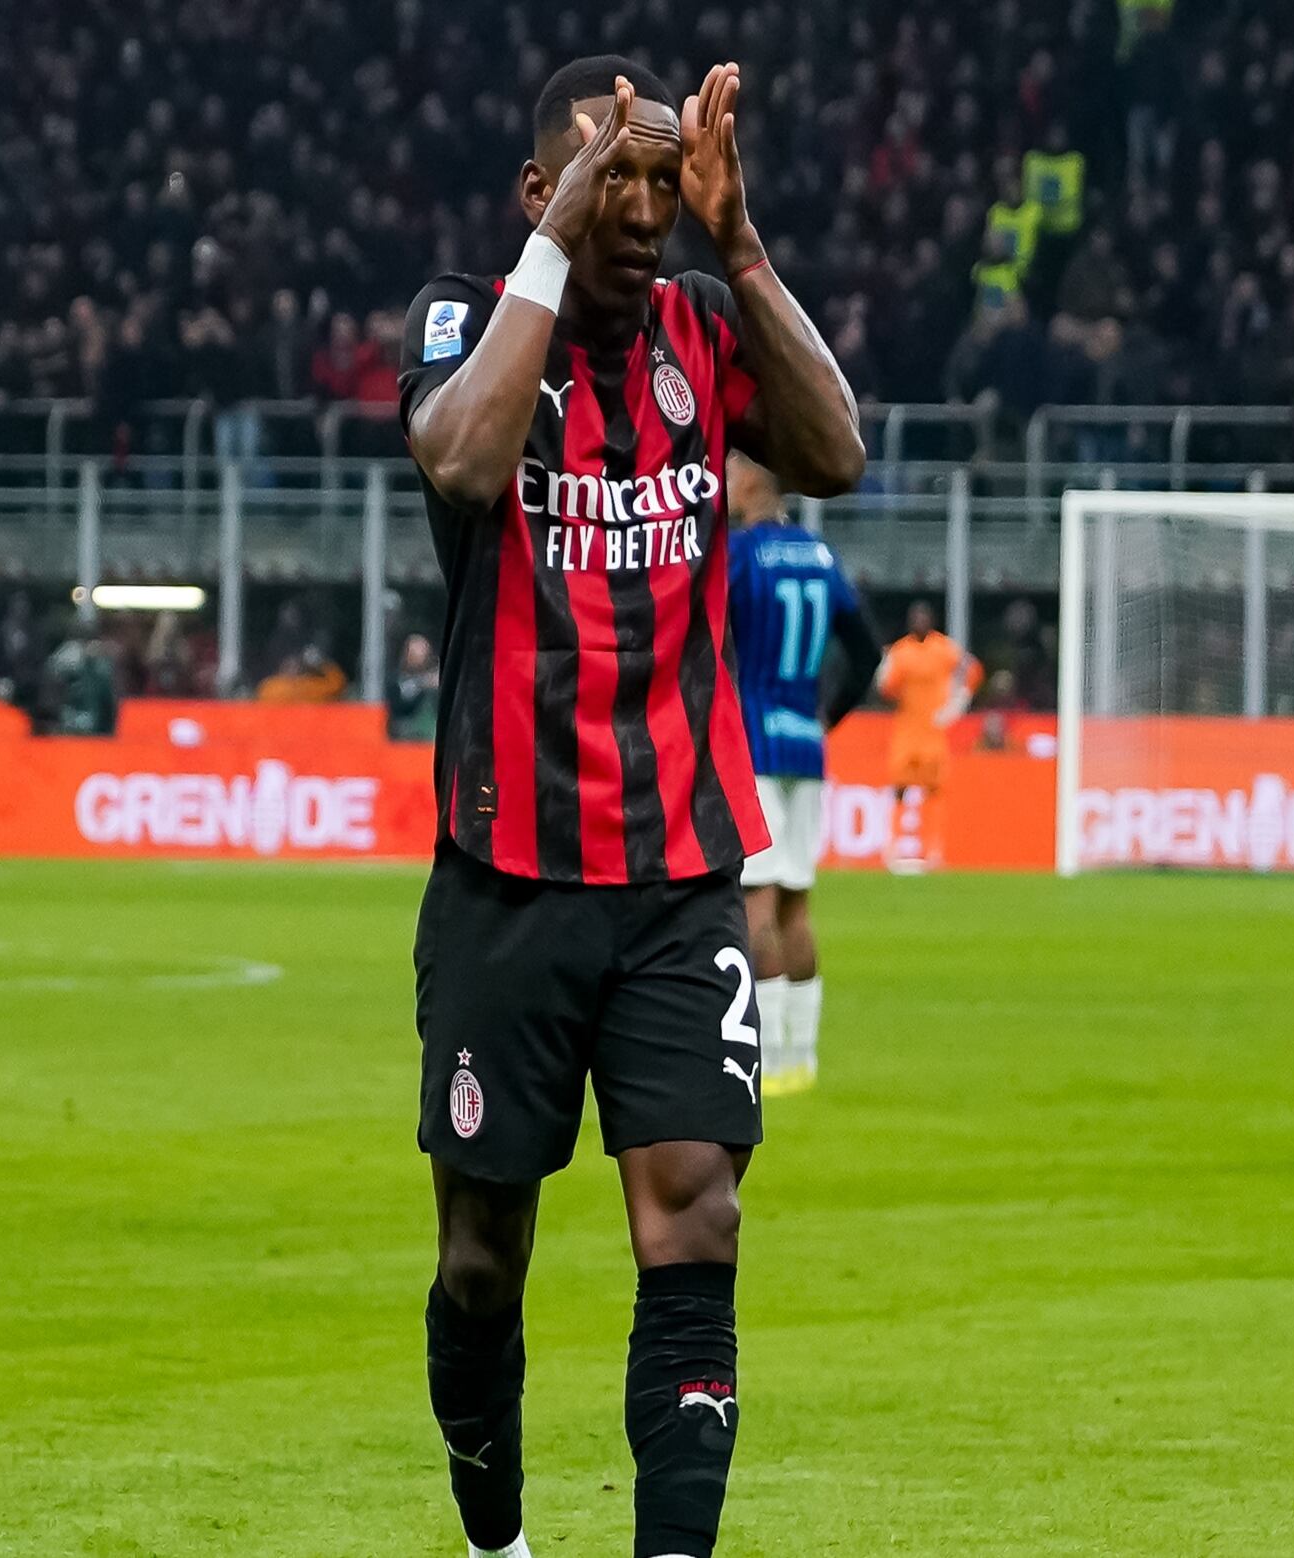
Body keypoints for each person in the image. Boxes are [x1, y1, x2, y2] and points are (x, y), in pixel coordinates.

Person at [396, 55, 861, 1558]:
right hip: (507, 873)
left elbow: (837, 452)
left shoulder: (702, 330)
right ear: (545, 195)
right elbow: (464, 461)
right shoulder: (468, 321)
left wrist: (742, 240)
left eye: (666, 179)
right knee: (482, 1257)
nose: (645, 209)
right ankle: (499, 1543)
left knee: (696, 1219)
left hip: (676, 871)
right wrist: (560, 234)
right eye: (620, 180)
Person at [725, 451, 881, 1096]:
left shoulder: (737, 557)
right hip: (806, 748)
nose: (721, 479)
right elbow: (867, 651)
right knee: (795, 905)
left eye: (731, 468)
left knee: (753, 904)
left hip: (754, 746)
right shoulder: (821, 557)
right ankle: (801, 1056)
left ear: (758, 477)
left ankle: (761, 1063)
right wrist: (827, 715)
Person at [878, 601, 982, 873]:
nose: (919, 621)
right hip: (907, 729)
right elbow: (887, 689)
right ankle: (894, 848)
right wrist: (885, 672)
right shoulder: (901, 651)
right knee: (900, 788)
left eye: (923, 617)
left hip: (933, 731)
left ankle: (934, 851)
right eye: (915, 617)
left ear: (932, 621)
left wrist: (958, 703)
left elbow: (973, 670)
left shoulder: (943, 648)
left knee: (933, 790)